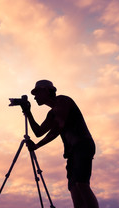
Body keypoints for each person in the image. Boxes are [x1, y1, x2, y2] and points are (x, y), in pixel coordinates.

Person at [23, 80, 99, 208]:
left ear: (46, 90)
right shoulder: (52, 113)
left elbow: (58, 126)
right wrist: (28, 112)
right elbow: (38, 132)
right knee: (74, 187)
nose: (35, 97)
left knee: (81, 183)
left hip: (82, 145)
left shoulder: (63, 101)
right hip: (71, 152)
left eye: (37, 92)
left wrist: (37, 146)